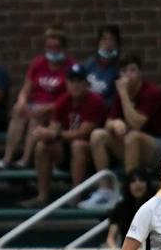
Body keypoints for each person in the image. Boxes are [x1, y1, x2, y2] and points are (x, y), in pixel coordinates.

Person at [25, 64, 105, 208]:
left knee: (78, 145)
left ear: (86, 83)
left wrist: (55, 134)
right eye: (72, 81)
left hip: (92, 153)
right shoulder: (63, 100)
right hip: (66, 151)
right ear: (67, 83)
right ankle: (42, 195)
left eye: (79, 81)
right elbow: (54, 127)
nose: (75, 85)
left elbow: (84, 132)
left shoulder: (95, 101)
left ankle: (76, 195)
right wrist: (44, 134)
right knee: (42, 146)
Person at [0, 23, 69, 168]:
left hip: (54, 110)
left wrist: (48, 107)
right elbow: (26, 88)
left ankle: (25, 159)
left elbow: (68, 97)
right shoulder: (38, 64)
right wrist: (22, 101)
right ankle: (7, 158)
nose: (53, 51)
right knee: (18, 111)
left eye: (56, 47)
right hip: (34, 105)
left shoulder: (69, 67)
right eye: (50, 47)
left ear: (63, 48)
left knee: (36, 116)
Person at [89, 54, 161, 176]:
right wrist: (114, 124)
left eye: (132, 70)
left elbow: (136, 124)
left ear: (140, 73)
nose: (128, 75)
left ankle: (131, 188)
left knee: (133, 136)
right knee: (97, 135)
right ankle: (105, 188)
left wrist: (123, 94)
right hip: (131, 145)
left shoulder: (152, 93)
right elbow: (107, 124)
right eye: (124, 71)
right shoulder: (121, 95)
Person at [82, 25, 123, 111]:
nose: (108, 43)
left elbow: (115, 101)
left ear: (117, 44)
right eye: (104, 39)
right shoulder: (90, 64)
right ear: (98, 42)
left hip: (105, 112)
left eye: (112, 39)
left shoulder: (119, 68)